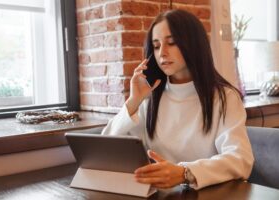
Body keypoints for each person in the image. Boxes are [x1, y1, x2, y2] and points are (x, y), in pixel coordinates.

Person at [101, 9, 254, 190]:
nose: (162, 53)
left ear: (193, 45)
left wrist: (184, 173)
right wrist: (134, 101)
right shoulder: (150, 99)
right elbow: (105, 151)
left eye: (171, 43)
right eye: (156, 46)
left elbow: (240, 160)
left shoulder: (225, 97)